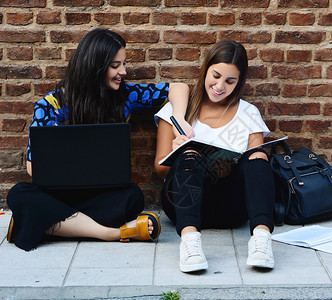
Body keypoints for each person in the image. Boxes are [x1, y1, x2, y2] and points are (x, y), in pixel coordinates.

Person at [6, 28, 193, 251]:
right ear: (94, 67)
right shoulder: (50, 106)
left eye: (123, 64)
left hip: (98, 195)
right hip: (60, 194)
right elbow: (32, 168)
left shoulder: (124, 96)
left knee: (133, 197)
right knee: (19, 194)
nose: (123, 71)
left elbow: (178, 88)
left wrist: (179, 118)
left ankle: (37, 223)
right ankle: (110, 234)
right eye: (115, 66)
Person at [154, 40, 276, 273]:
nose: (220, 86)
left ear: (239, 82)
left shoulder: (248, 112)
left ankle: (261, 240)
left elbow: (255, 167)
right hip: (182, 202)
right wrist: (177, 153)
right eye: (216, 76)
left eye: (230, 81)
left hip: (230, 207)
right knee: (190, 153)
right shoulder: (176, 110)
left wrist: (228, 167)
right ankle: (190, 243)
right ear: (205, 70)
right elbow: (158, 169)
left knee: (258, 157)